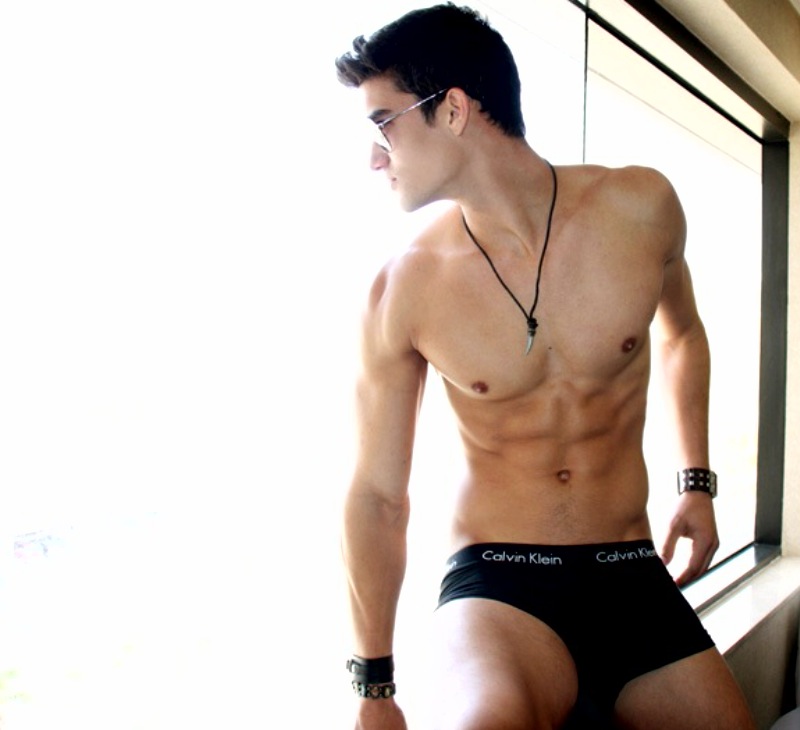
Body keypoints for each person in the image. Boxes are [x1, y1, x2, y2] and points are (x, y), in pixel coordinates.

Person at [335, 4, 756, 729]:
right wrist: (373, 688)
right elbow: (377, 495)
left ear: (453, 110)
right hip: (500, 587)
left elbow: (683, 334)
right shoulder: (404, 286)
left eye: (384, 124)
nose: (375, 157)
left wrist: (697, 483)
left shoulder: (640, 209)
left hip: (630, 569)